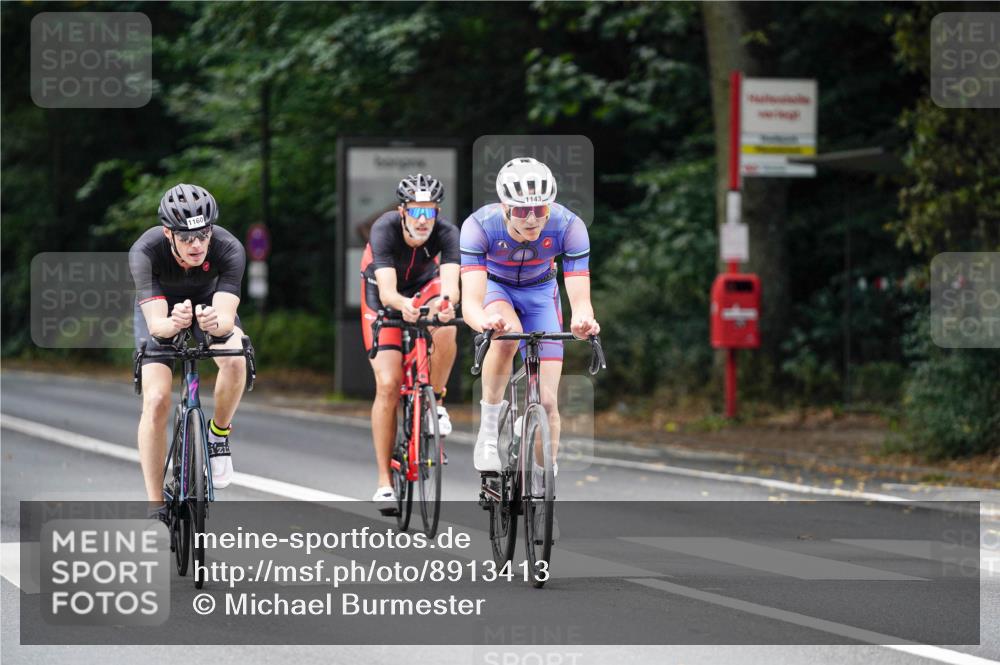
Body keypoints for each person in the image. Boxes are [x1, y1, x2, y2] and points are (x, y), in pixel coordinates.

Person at [460, 157, 600, 496]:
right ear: (505, 208)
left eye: (540, 208)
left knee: (549, 404)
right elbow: (470, 304)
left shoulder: (569, 226)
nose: (533, 218)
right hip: (497, 288)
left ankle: (544, 484)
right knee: (506, 338)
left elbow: (580, 298)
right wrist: (485, 323)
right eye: (522, 211)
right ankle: (490, 429)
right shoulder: (479, 226)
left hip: (541, 293)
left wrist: (584, 319)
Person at [129, 183, 248, 520]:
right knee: (155, 401)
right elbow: (157, 326)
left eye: (203, 235)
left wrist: (216, 323)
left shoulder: (228, 248)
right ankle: (156, 504)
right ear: (169, 234)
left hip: (209, 306)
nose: (197, 245)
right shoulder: (146, 251)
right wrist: (171, 322)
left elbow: (225, 320)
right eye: (186, 238)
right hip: (162, 310)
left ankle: (218, 437)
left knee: (236, 355)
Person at [361, 174, 460, 514]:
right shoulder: (384, 229)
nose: (422, 220)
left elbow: (450, 288)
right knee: (388, 385)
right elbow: (388, 293)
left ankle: (438, 400)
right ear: (402, 211)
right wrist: (405, 307)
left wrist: (443, 308)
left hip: (425, 285)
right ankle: (384, 482)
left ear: (437, 213)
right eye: (416, 211)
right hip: (383, 291)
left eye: (429, 212)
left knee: (446, 326)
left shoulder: (448, 234)